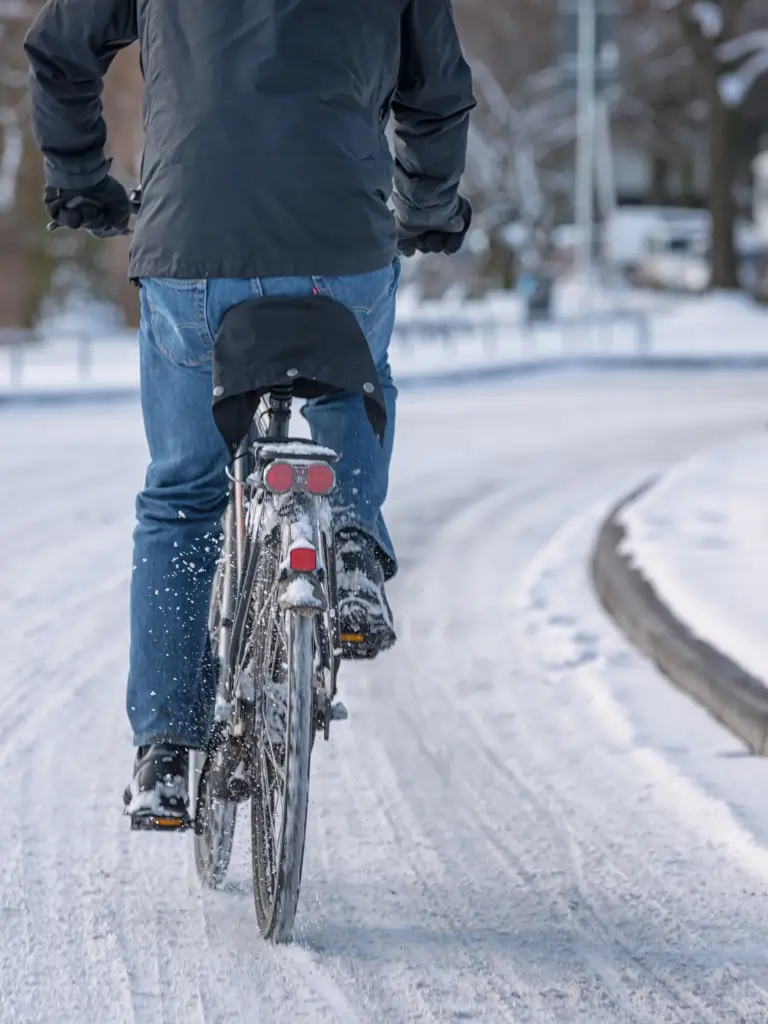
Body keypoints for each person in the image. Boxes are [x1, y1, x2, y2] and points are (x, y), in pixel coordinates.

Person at [25, 0, 474, 819]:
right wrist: (431, 207)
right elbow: (437, 94)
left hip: (192, 248)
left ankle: (165, 747)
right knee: (356, 370)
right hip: (339, 247)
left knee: (183, 493)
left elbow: (61, 51)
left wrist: (82, 178)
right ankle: (349, 544)